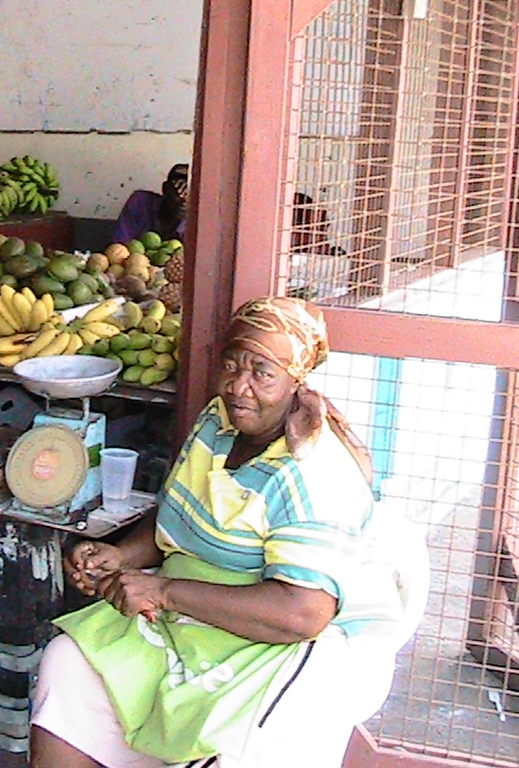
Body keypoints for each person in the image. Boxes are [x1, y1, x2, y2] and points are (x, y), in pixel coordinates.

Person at [30, 296, 419, 768]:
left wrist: (165, 591)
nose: (239, 387)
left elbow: (303, 613)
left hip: (294, 644)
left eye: (263, 373)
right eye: (231, 365)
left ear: (296, 378)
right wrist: (123, 558)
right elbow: (182, 514)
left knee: (227, 746)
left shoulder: (312, 470)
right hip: (199, 615)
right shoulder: (218, 421)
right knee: (69, 662)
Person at [112, 163, 189, 243]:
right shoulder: (140, 203)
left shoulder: (197, 224)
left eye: (189, 194)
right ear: (165, 189)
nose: (183, 200)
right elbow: (118, 247)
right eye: (177, 192)